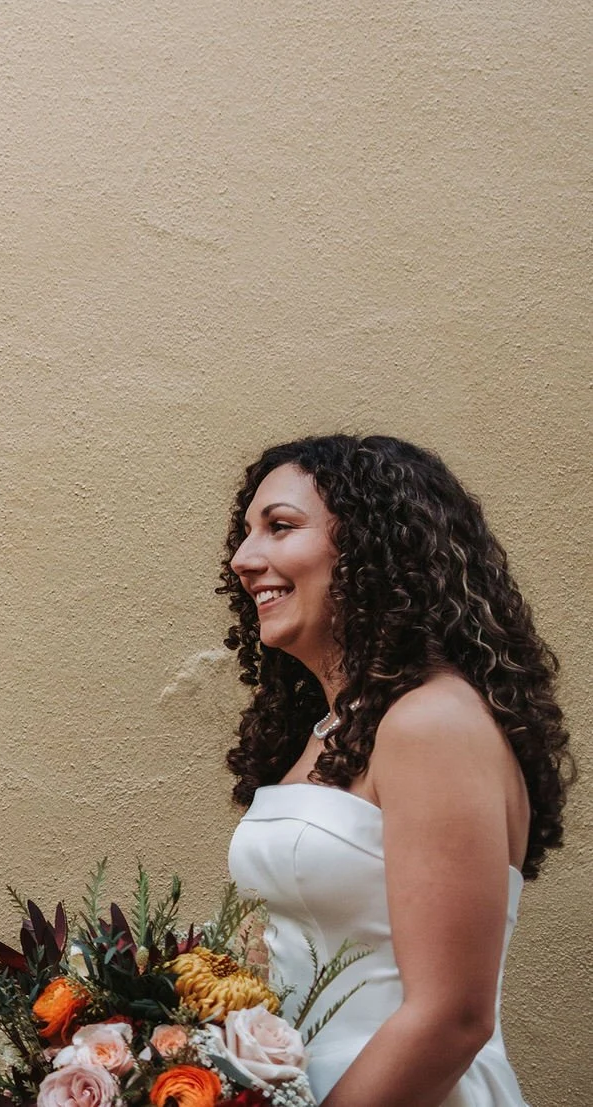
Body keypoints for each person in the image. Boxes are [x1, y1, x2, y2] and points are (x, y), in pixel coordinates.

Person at [222, 434, 571, 1107]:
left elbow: (452, 1016)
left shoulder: (430, 719)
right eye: (245, 533)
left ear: (371, 548)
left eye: (280, 527)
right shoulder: (328, 731)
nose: (244, 558)